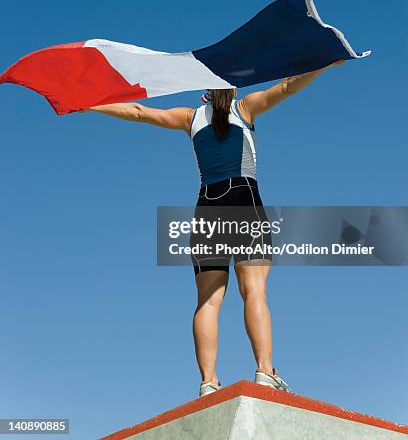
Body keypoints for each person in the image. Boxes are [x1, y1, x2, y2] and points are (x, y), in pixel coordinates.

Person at [85, 61, 344, 397]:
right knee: (254, 292)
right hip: (244, 200)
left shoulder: (189, 118)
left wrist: (87, 104)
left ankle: (208, 382)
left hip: (207, 205)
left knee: (207, 302)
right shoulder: (245, 108)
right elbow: (287, 86)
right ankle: (265, 372)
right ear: (233, 88)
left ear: (204, 91)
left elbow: (137, 112)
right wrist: (327, 62)